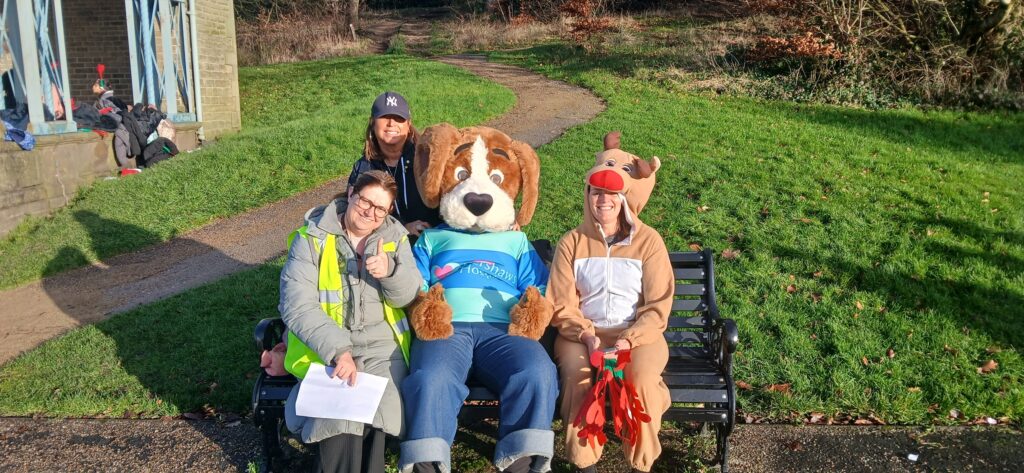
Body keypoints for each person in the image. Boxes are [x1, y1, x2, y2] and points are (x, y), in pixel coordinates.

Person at [279, 170, 424, 473]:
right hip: (327, 347)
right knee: (343, 418)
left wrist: (390, 273)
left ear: (388, 212)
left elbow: (408, 296)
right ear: (351, 195)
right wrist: (338, 350)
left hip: (384, 349)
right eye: (365, 202)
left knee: (377, 411)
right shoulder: (311, 238)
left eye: (380, 208)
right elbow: (296, 304)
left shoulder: (395, 238)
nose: (370, 212)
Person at [547, 133, 673, 473]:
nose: (603, 200)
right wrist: (587, 336)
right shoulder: (572, 242)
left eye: (611, 193)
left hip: (637, 336)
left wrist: (627, 340)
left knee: (641, 381)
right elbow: (561, 303)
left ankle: (640, 463)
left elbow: (658, 306)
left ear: (624, 197)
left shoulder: (648, 241)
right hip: (581, 337)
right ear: (588, 195)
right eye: (596, 192)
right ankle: (585, 463)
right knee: (579, 377)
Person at [347, 91, 440, 240]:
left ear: (408, 125)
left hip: (434, 240)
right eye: (384, 117)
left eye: (399, 118)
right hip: (387, 243)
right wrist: (402, 228)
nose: (391, 123)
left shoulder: (427, 158)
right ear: (372, 122)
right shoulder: (364, 168)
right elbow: (356, 215)